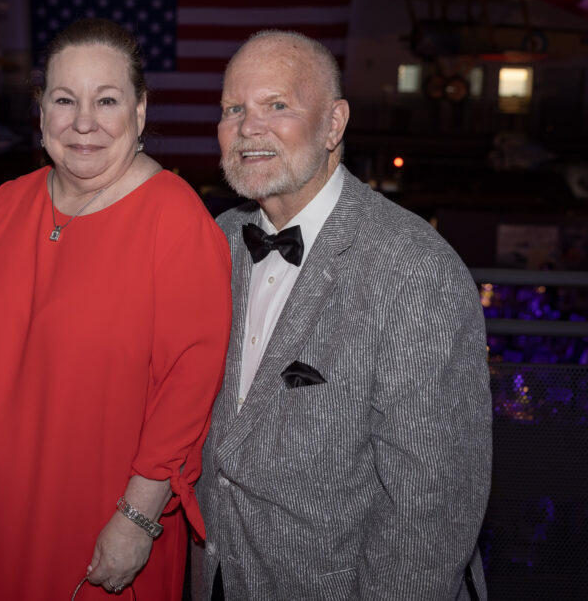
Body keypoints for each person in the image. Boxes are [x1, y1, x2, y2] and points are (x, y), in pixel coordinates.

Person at [191, 30, 492, 601]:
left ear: (333, 124)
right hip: (216, 577)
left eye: (277, 105)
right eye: (233, 109)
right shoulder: (216, 241)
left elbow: (429, 509)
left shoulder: (415, 270)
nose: (249, 127)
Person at [0, 18, 232, 600]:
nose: (84, 122)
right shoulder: (8, 202)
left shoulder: (175, 218)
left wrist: (137, 519)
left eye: (107, 100)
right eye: (64, 100)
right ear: (40, 112)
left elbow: (189, 388)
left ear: (140, 112)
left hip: (103, 519)